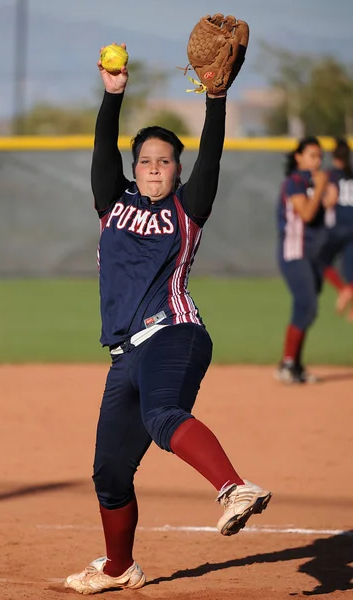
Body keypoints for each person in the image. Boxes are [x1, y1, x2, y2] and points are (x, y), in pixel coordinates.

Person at [64, 42, 272, 595]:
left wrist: (217, 99)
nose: (155, 168)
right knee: (109, 472)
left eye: (165, 161)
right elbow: (102, 151)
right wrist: (113, 96)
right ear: (136, 170)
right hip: (124, 353)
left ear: (178, 171)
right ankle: (118, 568)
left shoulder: (187, 208)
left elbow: (215, 156)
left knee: (162, 414)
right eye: (147, 161)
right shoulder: (112, 201)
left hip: (175, 331)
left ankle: (233, 488)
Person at [275, 137, 329, 384]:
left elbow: (326, 209)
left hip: (312, 255)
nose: (316, 161)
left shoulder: (312, 182)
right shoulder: (295, 182)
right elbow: (306, 214)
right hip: (294, 253)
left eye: (319, 156)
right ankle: (287, 364)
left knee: (305, 309)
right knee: (307, 305)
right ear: (298, 157)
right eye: (311, 155)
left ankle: (294, 365)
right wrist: (320, 187)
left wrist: (326, 191)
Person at [320, 138, 353, 321]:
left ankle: (343, 291)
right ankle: (349, 295)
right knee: (351, 271)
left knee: (321, 260)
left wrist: (320, 204)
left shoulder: (332, 174)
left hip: (339, 227)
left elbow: (331, 199)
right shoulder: (351, 173)